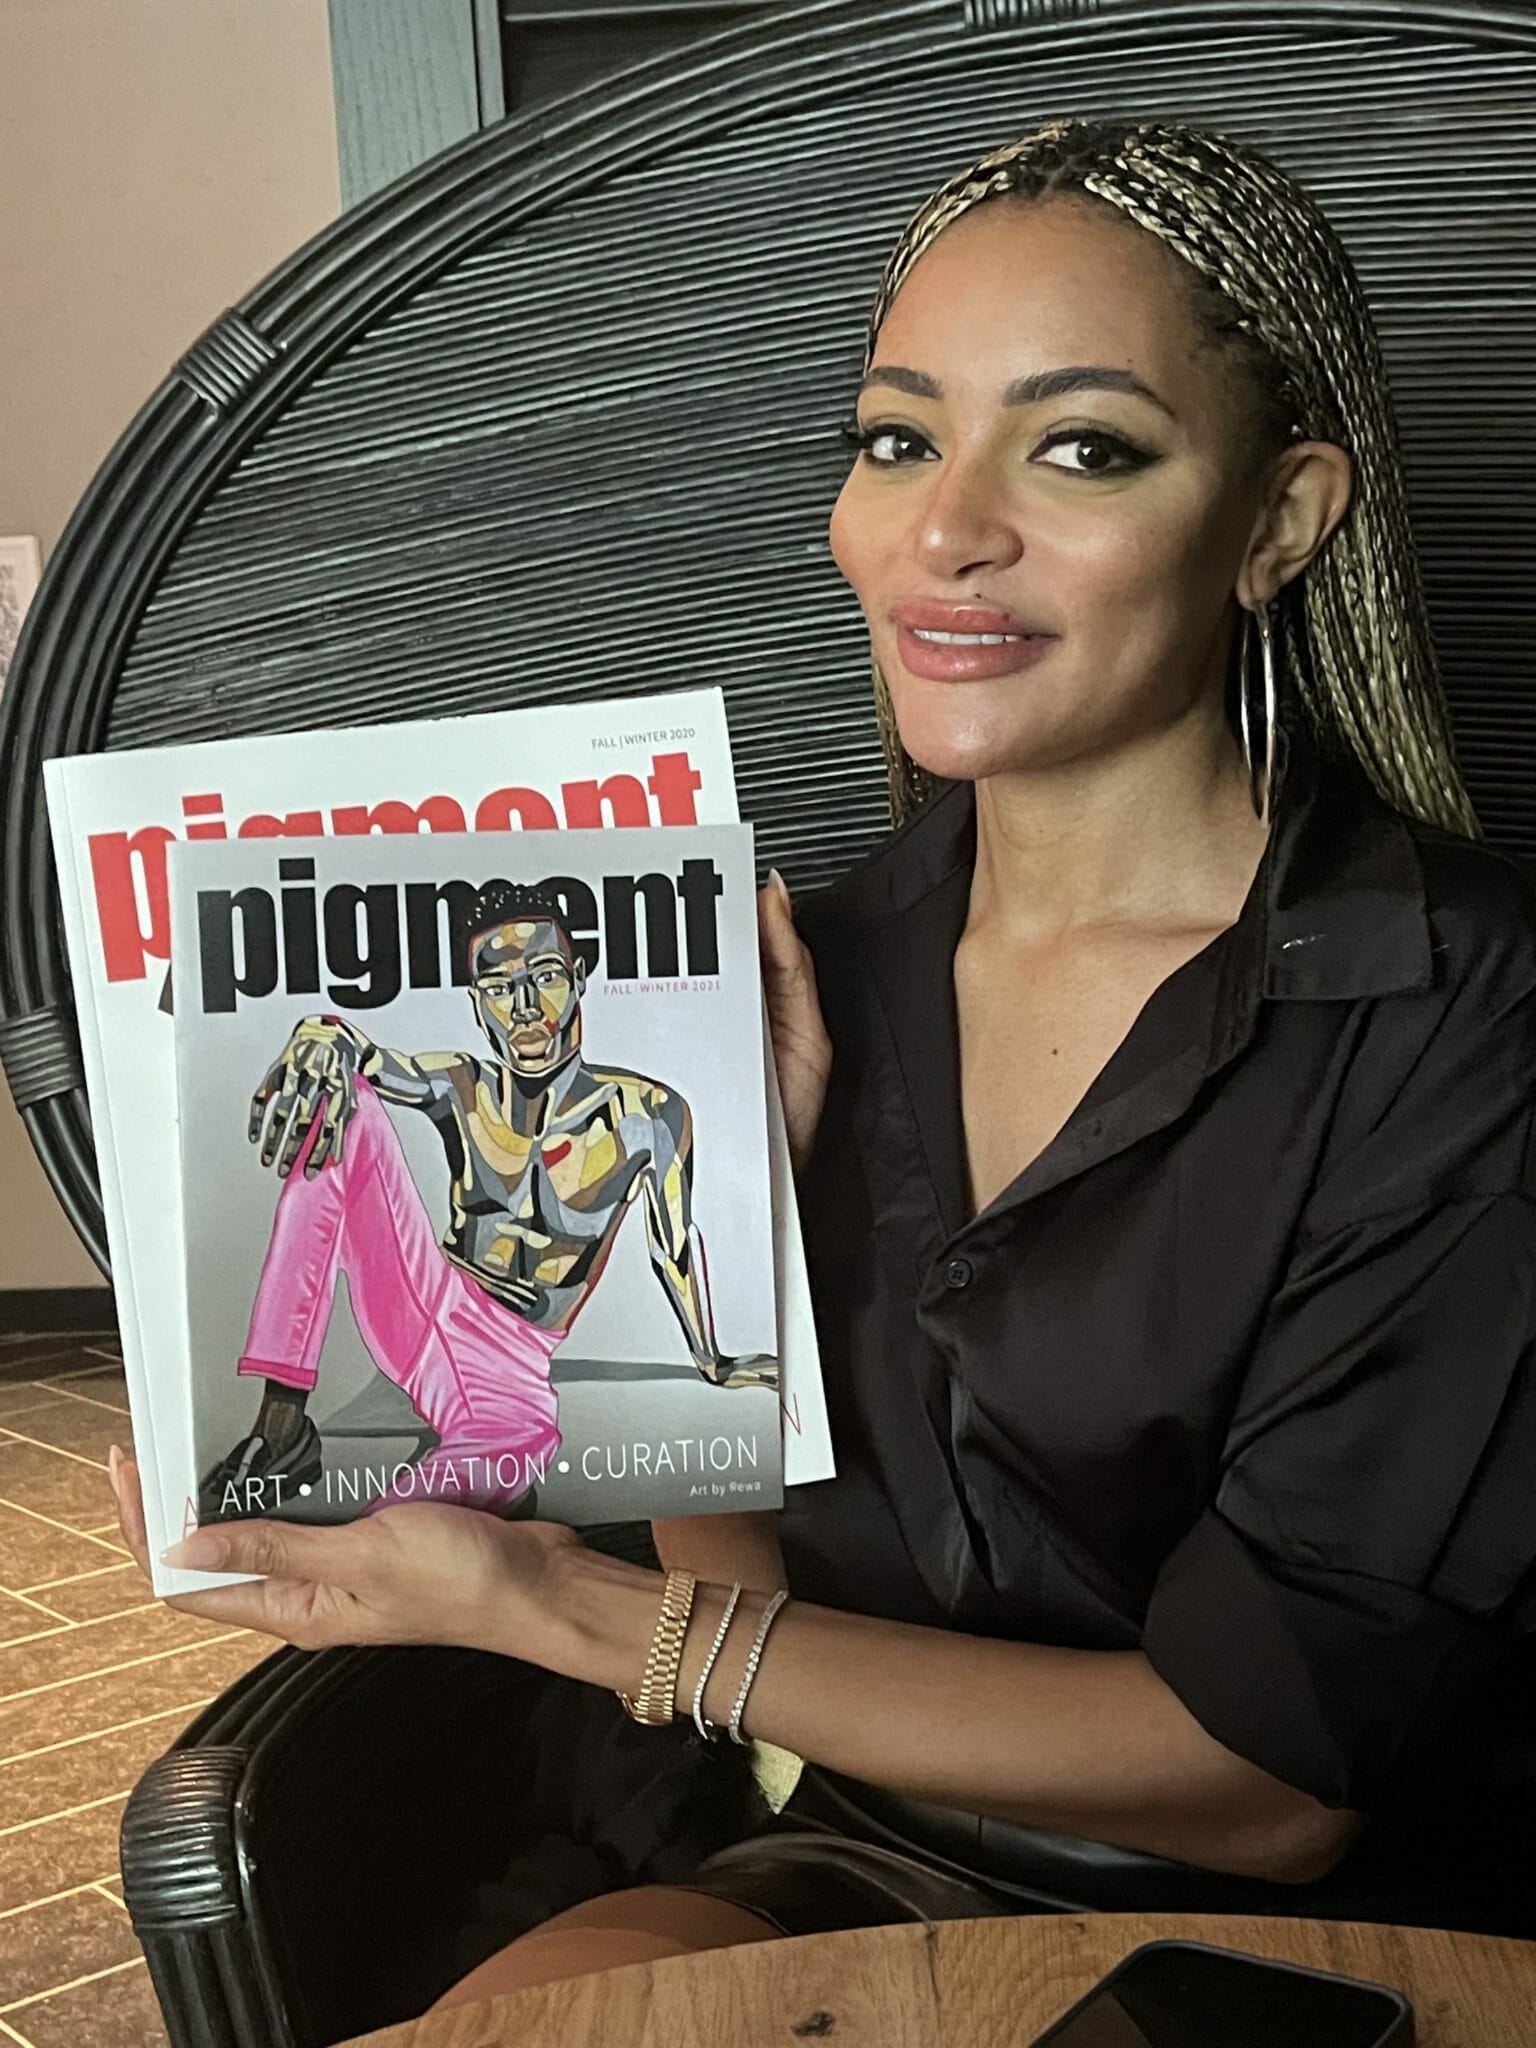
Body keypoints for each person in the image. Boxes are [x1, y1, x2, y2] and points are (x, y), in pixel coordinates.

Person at [108, 114, 1536, 2003]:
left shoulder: (1453, 1006)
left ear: (1276, 520)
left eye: (1083, 444)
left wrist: (551, 1595)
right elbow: (754, 1619)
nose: (945, 530)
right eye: (897, 436)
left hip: (1315, 1943)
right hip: (841, 1849)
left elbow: (1270, 1782)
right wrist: (734, 1235)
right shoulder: (790, 969)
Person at [197, 882, 768, 1524]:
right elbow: (365, 1056)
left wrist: (712, 1360)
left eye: (545, 976)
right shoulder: (461, 1085)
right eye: (499, 987)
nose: (524, 1007)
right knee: (343, 1100)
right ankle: (281, 1426)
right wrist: (320, 1032)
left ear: (578, 979)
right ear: (478, 1003)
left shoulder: (649, 1116)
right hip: (418, 1300)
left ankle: (376, 1547)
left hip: (512, 1354)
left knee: (485, 1472)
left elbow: (676, 1246)